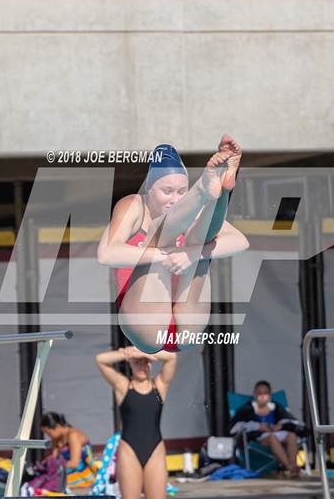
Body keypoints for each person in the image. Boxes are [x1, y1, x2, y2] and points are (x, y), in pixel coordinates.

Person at [97, 135, 250, 353]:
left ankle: (223, 190)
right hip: (145, 321)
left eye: (181, 191)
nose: (175, 199)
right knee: (159, 233)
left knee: (200, 240)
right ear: (149, 188)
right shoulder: (135, 205)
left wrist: (193, 253)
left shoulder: (189, 213)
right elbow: (106, 254)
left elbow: (240, 242)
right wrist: (162, 255)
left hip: (186, 324)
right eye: (167, 191)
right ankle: (204, 190)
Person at [95, 345, 177, 499]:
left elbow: (172, 357)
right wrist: (126, 353)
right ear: (130, 363)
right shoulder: (123, 387)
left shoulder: (160, 386)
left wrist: (146, 352)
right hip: (129, 451)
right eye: (137, 362)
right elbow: (100, 359)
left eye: (145, 362)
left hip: (155, 450)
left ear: (150, 363)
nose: (142, 365)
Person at [229, 381, 306, 478]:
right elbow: (235, 427)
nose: (262, 396)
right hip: (258, 437)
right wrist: (258, 426)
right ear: (254, 394)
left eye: (265, 393)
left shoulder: (276, 407)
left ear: (269, 395)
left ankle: (293, 466)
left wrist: (280, 426)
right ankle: (289, 467)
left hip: (277, 433)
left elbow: (293, 421)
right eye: (259, 393)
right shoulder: (247, 409)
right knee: (272, 437)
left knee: (292, 435)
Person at [40, 411, 98, 489]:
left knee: (51, 484)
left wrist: (54, 467)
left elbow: (75, 463)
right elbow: (54, 458)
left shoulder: (73, 435)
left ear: (57, 426)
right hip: (66, 471)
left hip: (83, 473)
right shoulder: (56, 438)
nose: (48, 436)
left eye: (49, 433)